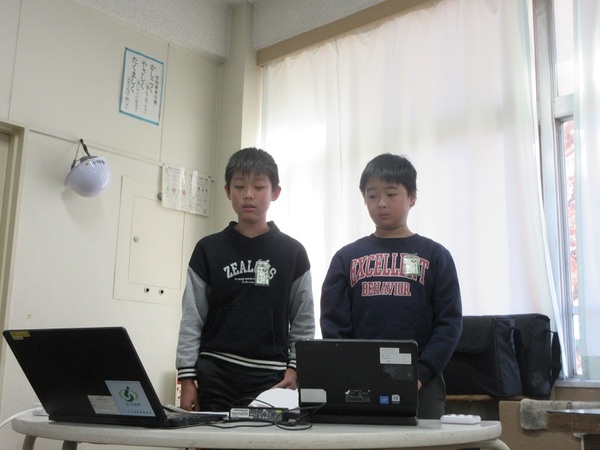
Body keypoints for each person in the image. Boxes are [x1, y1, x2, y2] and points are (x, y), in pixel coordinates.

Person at [320, 153, 462, 419]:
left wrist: (421, 373)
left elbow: (449, 324)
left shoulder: (435, 256)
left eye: (391, 194)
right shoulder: (346, 258)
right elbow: (333, 324)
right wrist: (352, 370)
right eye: (372, 195)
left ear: (412, 197)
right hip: (360, 381)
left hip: (422, 383)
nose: (381, 203)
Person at [176, 147, 315, 412]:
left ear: (275, 192)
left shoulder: (293, 252)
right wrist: (187, 377)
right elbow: (192, 317)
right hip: (216, 372)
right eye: (239, 186)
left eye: (259, 187)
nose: (248, 194)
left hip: (271, 378)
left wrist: (296, 367)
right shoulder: (208, 249)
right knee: (213, 435)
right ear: (228, 191)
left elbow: (303, 318)